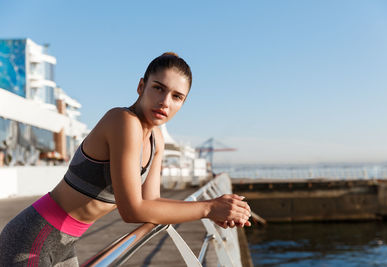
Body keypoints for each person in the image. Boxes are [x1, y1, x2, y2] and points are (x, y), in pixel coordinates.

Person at [0, 52, 251, 266]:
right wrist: (208, 208)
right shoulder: (122, 121)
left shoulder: (156, 139)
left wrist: (217, 210)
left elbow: (150, 203)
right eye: (158, 88)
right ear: (141, 86)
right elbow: (132, 210)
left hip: (67, 243)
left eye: (177, 97)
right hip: (33, 237)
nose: (165, 102)